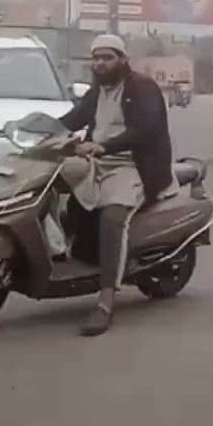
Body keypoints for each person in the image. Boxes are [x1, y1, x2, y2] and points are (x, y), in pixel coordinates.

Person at [57, 34, 176, 336]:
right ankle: (58, 250)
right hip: (96, 162)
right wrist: (37, 131)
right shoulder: (97, 91)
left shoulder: (142, 88)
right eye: (96, 58)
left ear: (122, 59)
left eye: (107, 57)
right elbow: (72, 119)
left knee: (112, 216)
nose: (100, 63)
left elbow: (144, 130)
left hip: (133, 166)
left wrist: (104, 147)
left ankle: (106, 300)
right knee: (49, 183)